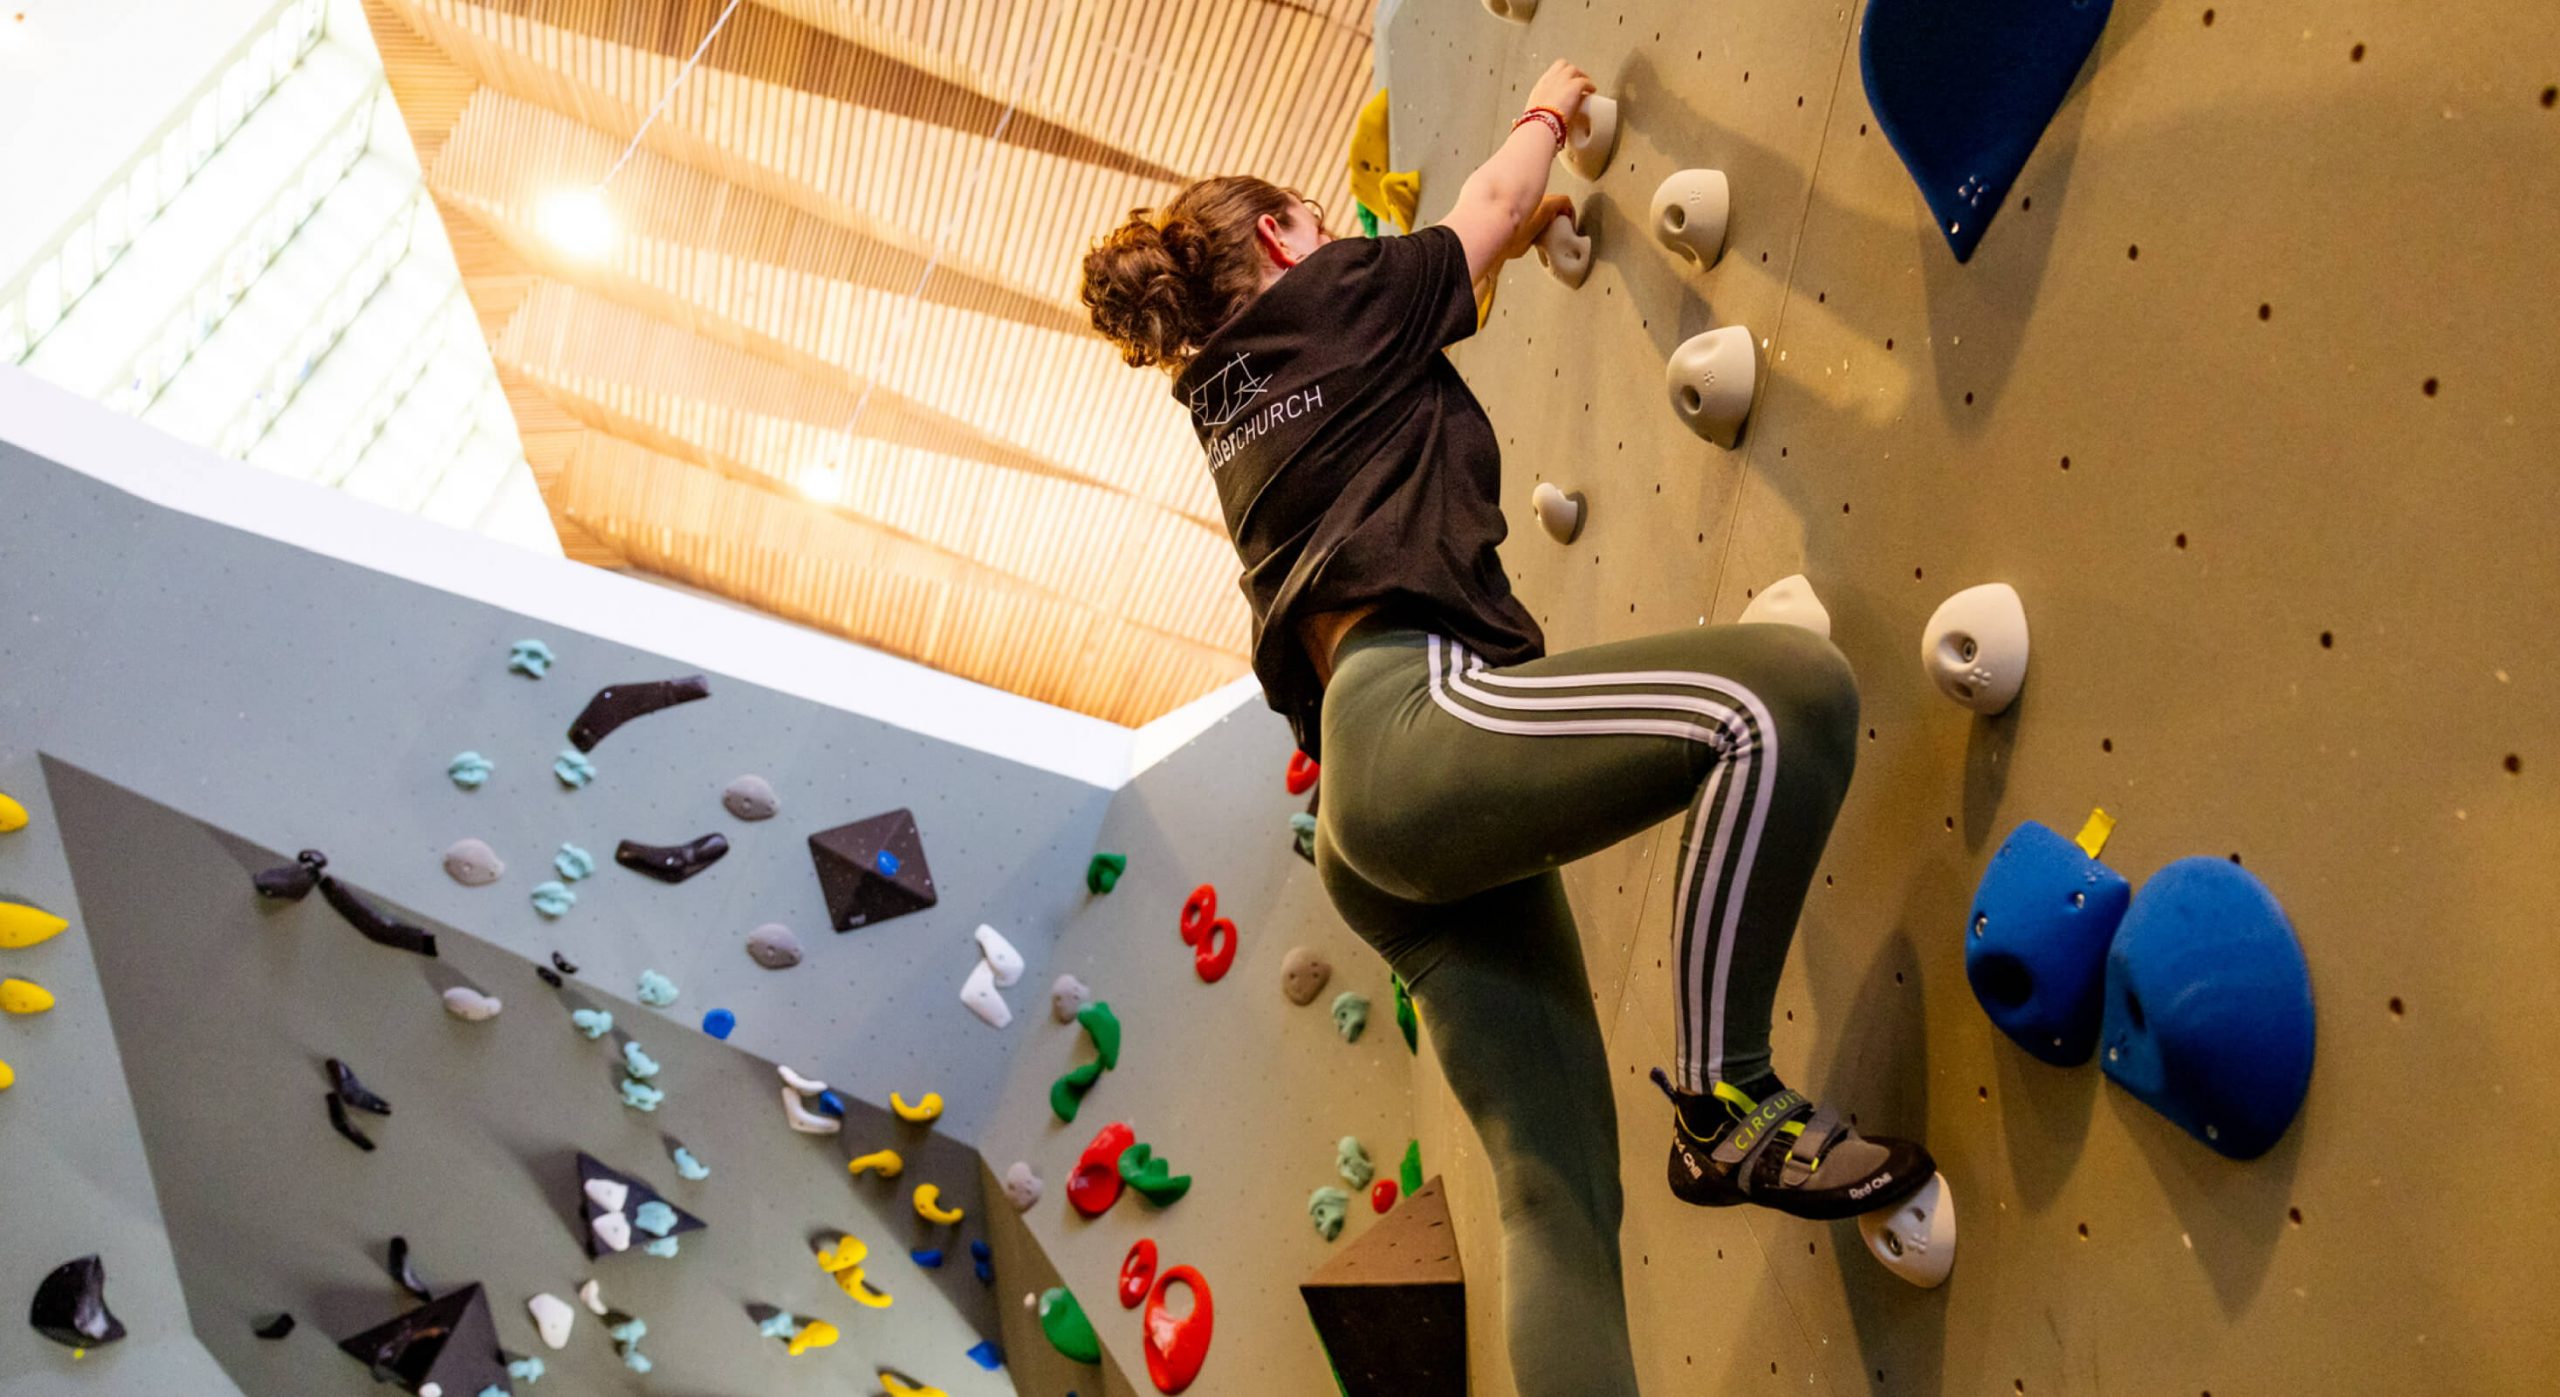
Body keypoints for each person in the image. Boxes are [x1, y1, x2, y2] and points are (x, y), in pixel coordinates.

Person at [1079, 61, 1933, 1396]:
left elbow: (1441, 308)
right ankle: (1724, 1096)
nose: (1348, 242)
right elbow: (1475, 212)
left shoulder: (1230, 405)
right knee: (1780, 698)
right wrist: (1545, 113)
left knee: (1554, 1199)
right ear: (1280, 243)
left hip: (1366, 831)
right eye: (1324, 220)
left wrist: (1515, 247)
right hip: (1423, 718)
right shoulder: (1336, 298)